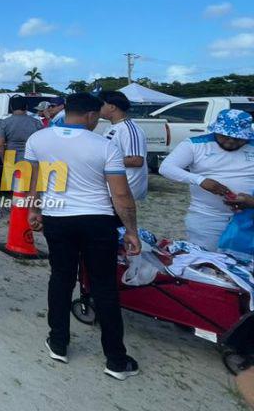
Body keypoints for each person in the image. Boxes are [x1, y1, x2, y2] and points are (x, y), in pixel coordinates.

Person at [25, 93, 140, 380]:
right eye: (97, 116)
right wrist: (131, 230)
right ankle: (115, 359)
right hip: (97, 221)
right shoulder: (105, 145)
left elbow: (33, 180)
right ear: (90, 115)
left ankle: (59, 342)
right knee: (104, 287)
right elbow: (121, 194)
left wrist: (34, 210)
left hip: (57, 218)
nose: (98, 121)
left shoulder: (38, 139)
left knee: (61, 278)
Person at [159, 109, 254, 250]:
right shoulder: (195, 144)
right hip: (207, 217)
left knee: (243, 264)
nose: (231, 140)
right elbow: (166, 168)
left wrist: (251, 202)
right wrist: (200, 180)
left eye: (238, 138)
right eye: (226, 135)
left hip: (249, 219)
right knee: (208, 262)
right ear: (216, 130)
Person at [99, 91, 148, 201]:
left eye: (101, 104)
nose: (98, 108)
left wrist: (102, 161)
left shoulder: (129, 129)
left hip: (126, 189)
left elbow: (136, 160)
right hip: (113, 188)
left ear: (112, 107)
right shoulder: (113, 127)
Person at [0, 95, 42, 199]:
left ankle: (18, 211)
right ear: (26, 107)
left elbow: (0, 145)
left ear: (11, 108)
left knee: (17, 190)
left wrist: (4, 161)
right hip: (32, 160)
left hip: (12, 159)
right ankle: (30, 210)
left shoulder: (5, 123)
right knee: (31, 188)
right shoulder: (36, 123)